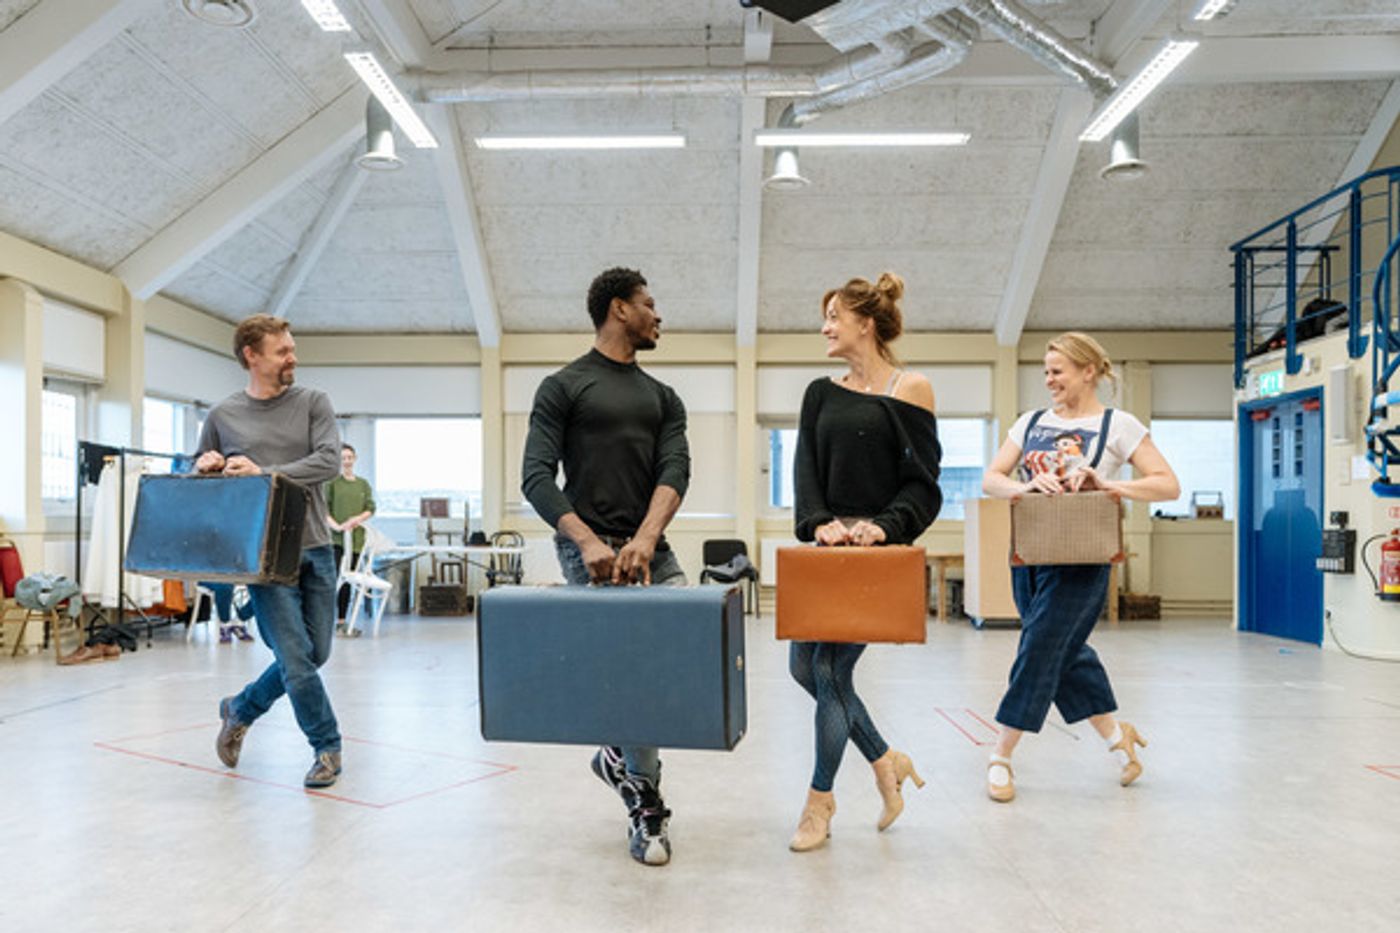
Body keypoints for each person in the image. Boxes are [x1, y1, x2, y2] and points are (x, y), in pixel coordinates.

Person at [521, 267, 690, 867]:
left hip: (653, 549)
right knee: (633, 670)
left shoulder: (664, 398)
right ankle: (646, 806)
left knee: (674, 656)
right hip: (588, 551)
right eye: (649, 303)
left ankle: (616, 758)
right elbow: (537, 477)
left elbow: (675, 472)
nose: (658, 314)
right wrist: (588, 542)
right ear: (619, 309)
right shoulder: (563, 386)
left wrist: (646, 538)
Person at [980, 332, 1180, 802]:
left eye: (1058, 370)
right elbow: (993, 478)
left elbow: (1167, 485)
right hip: (1029, 553)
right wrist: (1025, 488)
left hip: (1084, 557)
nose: (1049, 379)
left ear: (1088, 371)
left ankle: (1000, 755)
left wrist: (1108, 485)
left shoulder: (1119, 424)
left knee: (1041, 644)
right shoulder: (1029, 422)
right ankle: (1117, 737)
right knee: (1060, 648)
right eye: (1046, 371)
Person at [788, 272, 942, 852]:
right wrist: (817, 524)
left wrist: (882, 527)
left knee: (829, 671)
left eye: (833, 316)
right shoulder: (819, 392)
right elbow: (806, 475)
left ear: (865, 323)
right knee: (803, 672)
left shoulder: (911, 389)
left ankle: (818, 803)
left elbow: (922, 485)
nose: (825, 328)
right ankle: (885, 761)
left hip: (874, 555)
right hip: (825, 551)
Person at [198, 314, 344, 789]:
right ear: (251, 356)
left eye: (292, 349)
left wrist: (265, 471)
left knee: (315, 653)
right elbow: (206, 482)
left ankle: (241, 707)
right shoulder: (222, 416)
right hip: (263, 559)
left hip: (316, 546)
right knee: (296, 659)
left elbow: (326, 462)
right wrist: (208, 466)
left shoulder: (313, 402)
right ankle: (327, 748)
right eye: (282, 351)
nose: (292, 358)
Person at [326, 443, 375, 633]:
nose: (346, 461)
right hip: (336, 540)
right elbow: (323, 509)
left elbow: (370, 508)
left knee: (349, 581)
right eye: (343, 458)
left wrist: (355, 520)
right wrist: (337, 526)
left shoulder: (363, 484)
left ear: (354, 459)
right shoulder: (331, 483)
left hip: (356, 541)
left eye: (349, 458)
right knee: (334, 579)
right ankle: (324, 621)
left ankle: (341, 621)